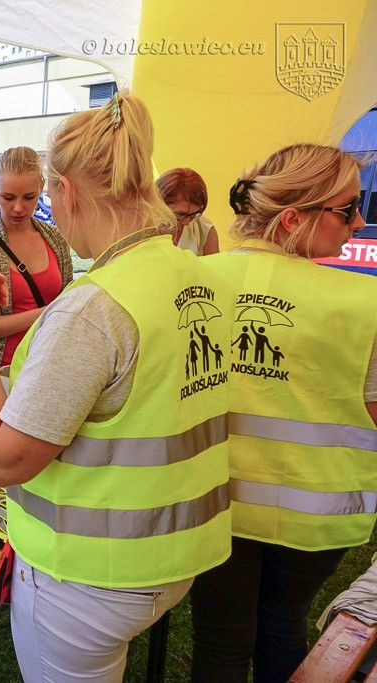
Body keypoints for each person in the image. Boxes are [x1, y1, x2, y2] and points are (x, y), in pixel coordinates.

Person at [0, 92, 233, 682]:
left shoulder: (96, 308)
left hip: (87, 577)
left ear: (69, 192)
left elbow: (6, 459)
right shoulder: (200, 276)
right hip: (179, 554)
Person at [190, 144, 377, 682]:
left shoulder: (193, 284)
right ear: (294, 218)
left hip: (212, 500)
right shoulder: (363, 304)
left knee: (220, 643)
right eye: (347, 209)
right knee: (282, 626)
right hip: (314, 514)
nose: (359, 222)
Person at [0, 146, 72, 449]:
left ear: (41, 191)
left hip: (48, 371)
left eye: (29, 197)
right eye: (8, 198)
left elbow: (69, 306)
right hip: (0, 376)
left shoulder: (55, 239)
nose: (19, 207)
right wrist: (46, 313)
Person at [157, 167, 219, 256]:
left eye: (193, 215)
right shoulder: (143, 229)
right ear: (160, 203)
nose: (187, 222)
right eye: (180, 214)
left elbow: (214, 268)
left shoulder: (204, 229)